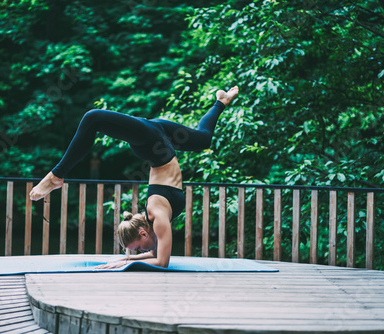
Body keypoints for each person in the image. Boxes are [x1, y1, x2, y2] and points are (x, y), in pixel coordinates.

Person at [29, 86, 239, 268]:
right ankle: (221, 102)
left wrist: (127, 262)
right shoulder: (157, 220)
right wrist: (125, 261)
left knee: (93, 118)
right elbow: (158, 257)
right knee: (203, 140)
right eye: (136, 251)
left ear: (143, 234)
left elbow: (161, 262)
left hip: (154, 146)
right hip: (159, 140)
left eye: (137, 249)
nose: (139, 252)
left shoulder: (156, 216)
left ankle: (56, 176)